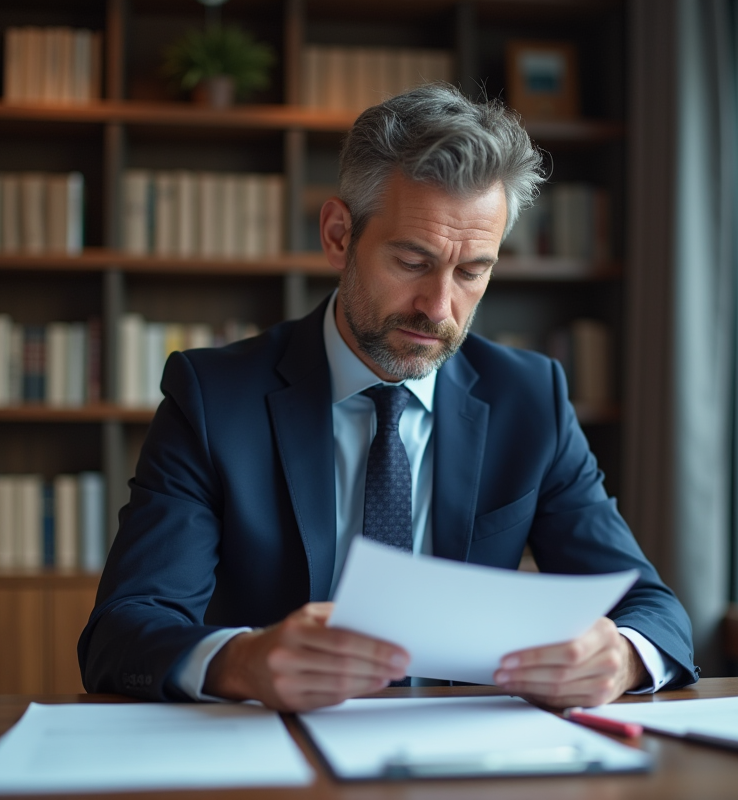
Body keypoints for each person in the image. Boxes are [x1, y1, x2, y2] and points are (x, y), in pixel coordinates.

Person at [78, 84, 697, 712]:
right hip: (276, 752)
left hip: (467, 758)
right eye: (411, 261)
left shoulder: (530, 399)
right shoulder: (214, 398)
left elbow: (654, 609)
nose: (438, 307)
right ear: (339, 235)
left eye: (471, 271)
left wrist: (619, 656)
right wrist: (241, 661)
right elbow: (122, 630)